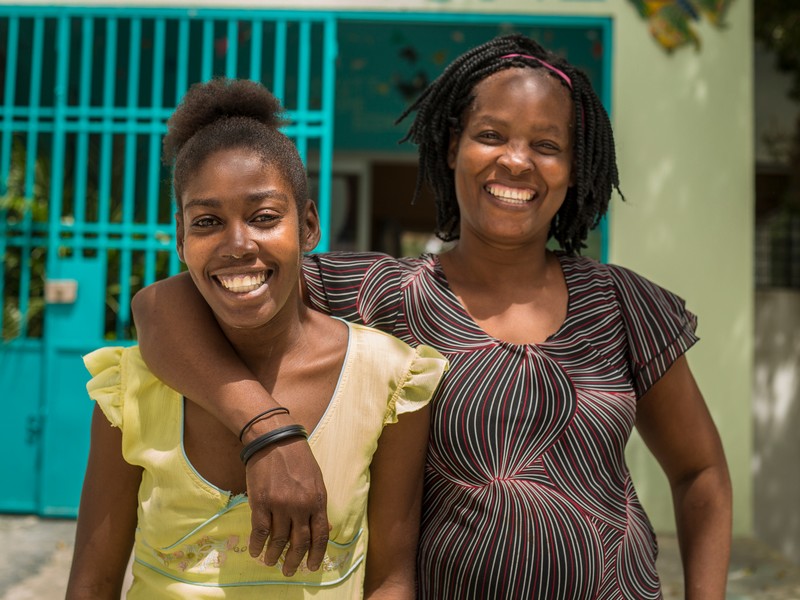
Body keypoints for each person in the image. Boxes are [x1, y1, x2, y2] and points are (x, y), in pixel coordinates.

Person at [131, 34, 732, 599]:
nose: (516, 162)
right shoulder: (386, 296)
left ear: (573, 169)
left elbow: (700, 471)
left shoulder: (622, 304)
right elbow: (165, 304)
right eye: (491, 135)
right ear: (453, 148)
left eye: (546, 146)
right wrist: (265, 432)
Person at [65, 78, 448, 600]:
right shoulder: (130, 389)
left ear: (308, 225)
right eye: (207, 222)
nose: (238, 244)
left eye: (265, 217)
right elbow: (92, 583)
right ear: (181, 239)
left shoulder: (389, 380)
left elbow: (391, 579)